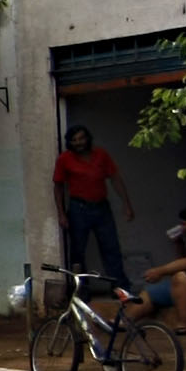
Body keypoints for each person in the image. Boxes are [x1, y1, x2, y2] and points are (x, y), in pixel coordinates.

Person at [52, 123, 134, 289]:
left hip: (101, 208)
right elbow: (58, 186)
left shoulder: (101, 155)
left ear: (88, 138)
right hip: (78, 209)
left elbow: (115, 179)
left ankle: (120, 289)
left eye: (81, 138)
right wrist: (61, 213)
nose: (79, 143)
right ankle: (81, 291)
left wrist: (126, 204)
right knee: (77, 253)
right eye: (74, 140)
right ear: (70, 143)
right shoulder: (64, 159)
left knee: (111, 248)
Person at [131, 202, 186, 329]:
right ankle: (123, 322)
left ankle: (184, 323)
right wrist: (179, 245)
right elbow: (184, 261)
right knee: (149, 293)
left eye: (185, 224)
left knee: (180, 277)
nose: (182, 227)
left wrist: (161, 271)